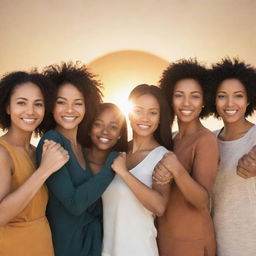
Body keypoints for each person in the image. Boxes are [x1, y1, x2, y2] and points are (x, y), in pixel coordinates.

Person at [36, 62, 118, 256]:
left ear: (87, 106)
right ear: (50, 104)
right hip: (67, 246)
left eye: (78, 103)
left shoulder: (81, 146)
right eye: (61, 102)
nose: (70, 109)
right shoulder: (52, 141)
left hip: (91, 243)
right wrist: (111, 166)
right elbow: (74, 204)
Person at [154, 59, 219, 256]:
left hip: (192, 242)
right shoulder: (170, 139)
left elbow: (202, 201)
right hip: (165, 239)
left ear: (204, 100)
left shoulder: (205, 140)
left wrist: (177, 170)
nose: (186, 103)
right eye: (179, 96)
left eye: (195, 96)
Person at [0, 71, 69, 255]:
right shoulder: (2, 152)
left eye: (38, 104)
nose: (30, 111)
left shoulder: (36, 151)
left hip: (42, 244)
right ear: (7, 107)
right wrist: (44, 170)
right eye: (21, 102)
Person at [102, 84, 173, 256]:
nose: (145, 118)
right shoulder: (115, 152)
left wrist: (124, 174)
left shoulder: (162, 156)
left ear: (160, 118)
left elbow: (159, 207)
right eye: (139, 110)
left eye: (153, 112)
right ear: (129, 113)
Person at [209, 58, 256, 256]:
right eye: (222, 96)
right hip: (217, 245)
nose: (230, 103)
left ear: (248, 99)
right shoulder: (209, 140)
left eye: (238, 96)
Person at [85, 102, 128, 175]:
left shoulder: (124, 165)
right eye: (98, 124)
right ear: (89, 128)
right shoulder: (74, 157)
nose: (105, 131)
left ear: (120, 133)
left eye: (113, 127)